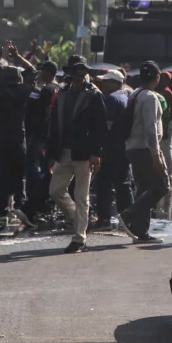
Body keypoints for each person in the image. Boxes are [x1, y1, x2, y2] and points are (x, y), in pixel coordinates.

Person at [47, 59, 107, 254]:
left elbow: (100, 127)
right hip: (63, 151)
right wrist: (51, 153)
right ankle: (78, 219)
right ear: (70, 74)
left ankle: (79, 237)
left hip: (83, 153)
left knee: (82, 196)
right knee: (55, 190)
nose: (80, 77)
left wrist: (96, 154)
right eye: (77, 73)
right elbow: (54, 124)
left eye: (83, 73)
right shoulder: (62, 94)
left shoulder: (94, 95)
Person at [119, 61, 168, 243]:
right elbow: (151, 128)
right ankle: (128, 214)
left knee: (144, 189)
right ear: (157, 78)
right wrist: (156, 155)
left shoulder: (134, 94)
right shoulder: (150, 97)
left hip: (132, 146)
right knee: (161, 187)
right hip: (145, 148)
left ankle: (141, 232)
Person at [0, 63, 31, 233]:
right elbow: (32, 72)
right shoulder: (23, 91)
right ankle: (21, 206)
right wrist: (19, 58)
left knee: (0, 176)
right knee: (19, 174)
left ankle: (1, 209)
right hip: (18, 138)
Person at [92, 69, 133, 231]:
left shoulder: (111, 99)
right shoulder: (126, 97)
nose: (103, 84)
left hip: (110, 148)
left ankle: (104, 220)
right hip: (123, 147)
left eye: (106, 81)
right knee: (123, 184)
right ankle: (128, 218)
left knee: (103, 183)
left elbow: (106, 126)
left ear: (115, 83)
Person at [22, 60, 59, 225]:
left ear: (49, 73)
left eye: (43, 71)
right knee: (45, 169)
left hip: (41, 135)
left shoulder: (47, 90)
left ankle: (36, 199)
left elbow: (47, 113)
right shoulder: (58, 89)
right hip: (48, 135)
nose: (40, 74)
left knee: (32, 164)